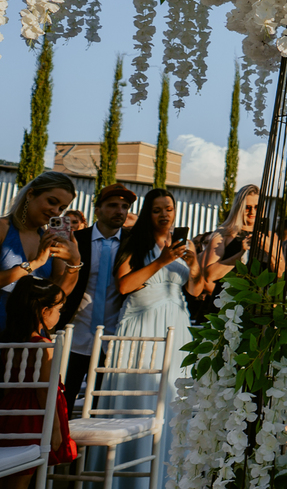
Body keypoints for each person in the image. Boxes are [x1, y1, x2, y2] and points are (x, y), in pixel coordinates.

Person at [104, 188, 203, 489]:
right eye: (157, 209)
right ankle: (128, 478)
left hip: (177, 326)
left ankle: (167, 479)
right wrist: (162, 260)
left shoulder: (184, 244)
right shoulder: (134, 242)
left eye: (168, 209)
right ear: (148, 212)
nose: (164, 214)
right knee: (140, 397)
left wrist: (194, 264)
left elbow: (196, 290)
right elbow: (124, 286)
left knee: (173, 401)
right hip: (143, 327)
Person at [57, 184, 130, 409]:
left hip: (113, 336)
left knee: (103, 406)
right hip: (75, 333)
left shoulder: (133, 243)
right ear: (97, 210)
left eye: (125, 207)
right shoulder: (76, 239)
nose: (120, 211)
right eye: (113, 205)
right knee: (63, 401)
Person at [0, 276, 77, 488]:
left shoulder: (7, 342)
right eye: (58, 309)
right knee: (21, 478)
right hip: (33, 416)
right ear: (44, 311)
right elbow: (44, 391)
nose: (60, 314)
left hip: (9, 411)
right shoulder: (43, 346)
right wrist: (55, 430)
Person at [0, 172, 82, 331]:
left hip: (30, 337)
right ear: (30, 194)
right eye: (52, 202)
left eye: (62, 208)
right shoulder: (3, 228)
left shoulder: (50, 240)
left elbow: (58, 294)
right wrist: (35, 264)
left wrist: (74, 263)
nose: (56, 211)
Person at [198, 185, 260, 320]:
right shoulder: (224, 234)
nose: (252, 211)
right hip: (227, 304)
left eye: (256, 207)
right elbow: (210, 275)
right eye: (247, 207)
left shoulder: (268, 236)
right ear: (238, 207)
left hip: (257, 305)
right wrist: (240, 255)